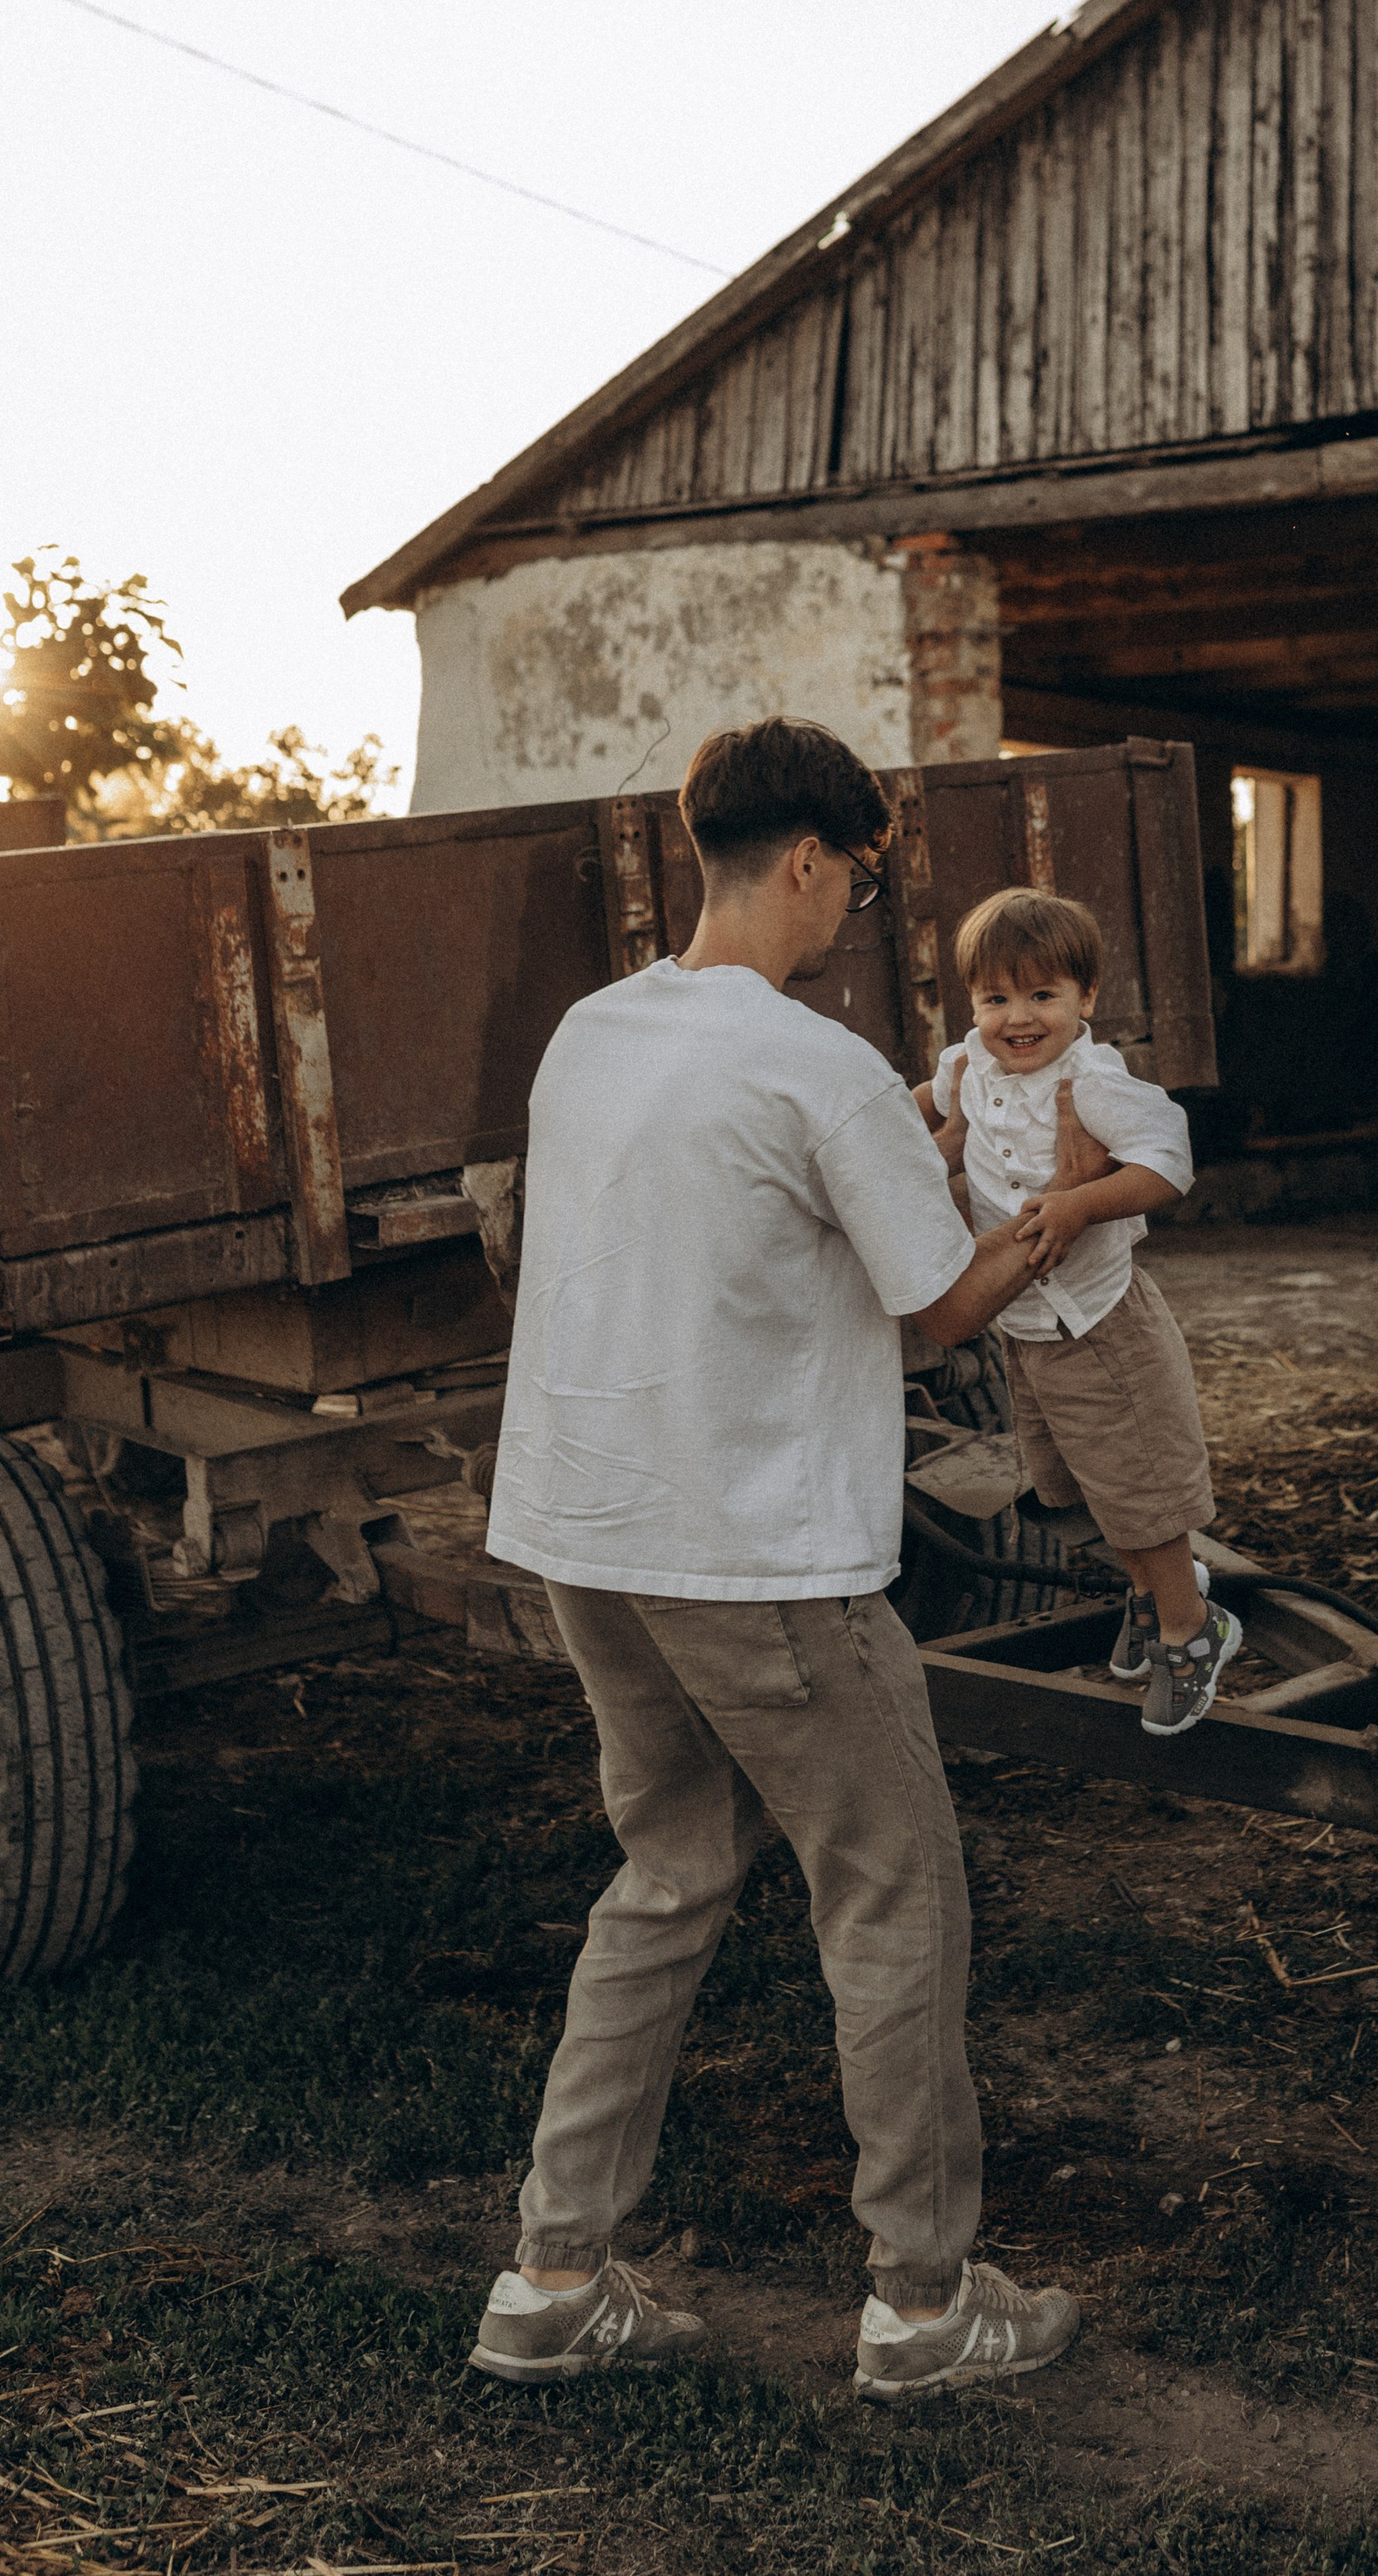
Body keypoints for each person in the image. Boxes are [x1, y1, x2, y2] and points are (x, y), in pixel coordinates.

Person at [468, 718, 1080, 2401]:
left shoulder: (591, 1035)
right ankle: (926, 2300)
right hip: (751, 1559)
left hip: (584, 1533)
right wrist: (1064, 1216)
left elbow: (721, 1235)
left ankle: (551, 2272)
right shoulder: (815, 1062)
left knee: (666, 1875)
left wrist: (909, 1165)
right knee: (895, 1888)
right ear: (808, 860)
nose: (854, 917)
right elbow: (936, 1303)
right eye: (860, 885)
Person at [917, 887, 1241, 1736]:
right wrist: (885, 1130)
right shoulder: (968, 1066)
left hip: (1100, 1322)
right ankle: (1148, 1596)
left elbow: (1168, 1165)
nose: (1016, 1018)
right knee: (1078, 1491)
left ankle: (1191, 1628)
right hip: (1028, 1329)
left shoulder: (1091, 1079)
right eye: (994, 998)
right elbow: (928, 1100)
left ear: (1085, 999)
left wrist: (1082, 1204)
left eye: (1041, 996)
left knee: (1140, 1492)